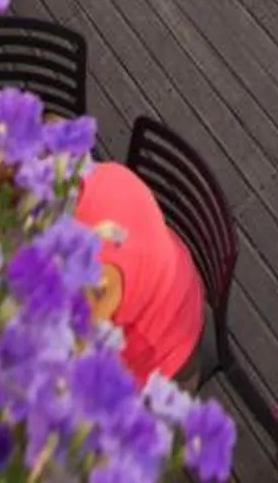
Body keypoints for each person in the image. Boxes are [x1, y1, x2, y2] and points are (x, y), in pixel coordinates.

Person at [74, 160, 212, 390]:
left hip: (165, 350)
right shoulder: (100, 174)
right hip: (177, 279)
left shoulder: (94, 271)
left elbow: (73, 359)